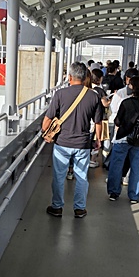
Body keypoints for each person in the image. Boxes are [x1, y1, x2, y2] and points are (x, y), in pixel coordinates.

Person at [42, 62, 104, 218]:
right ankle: (80, 208)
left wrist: (45, 132)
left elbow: (47, 119)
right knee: (81, 176)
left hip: (62, 143)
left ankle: (57, 207)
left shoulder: (60, 94)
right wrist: (98, 140)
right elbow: (98, 122)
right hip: (83, 143)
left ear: (70, 77)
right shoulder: (94, 96)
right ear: (85, 77)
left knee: (59, 176)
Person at [107, 76, 139, 203]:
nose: (128, 87)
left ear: (134, 88)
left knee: (116, 165)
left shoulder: (126, 103)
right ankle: (134, 195)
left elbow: (117, 121)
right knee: (136, 167)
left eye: (130, 85)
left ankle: (114, 192)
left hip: (123, 137)